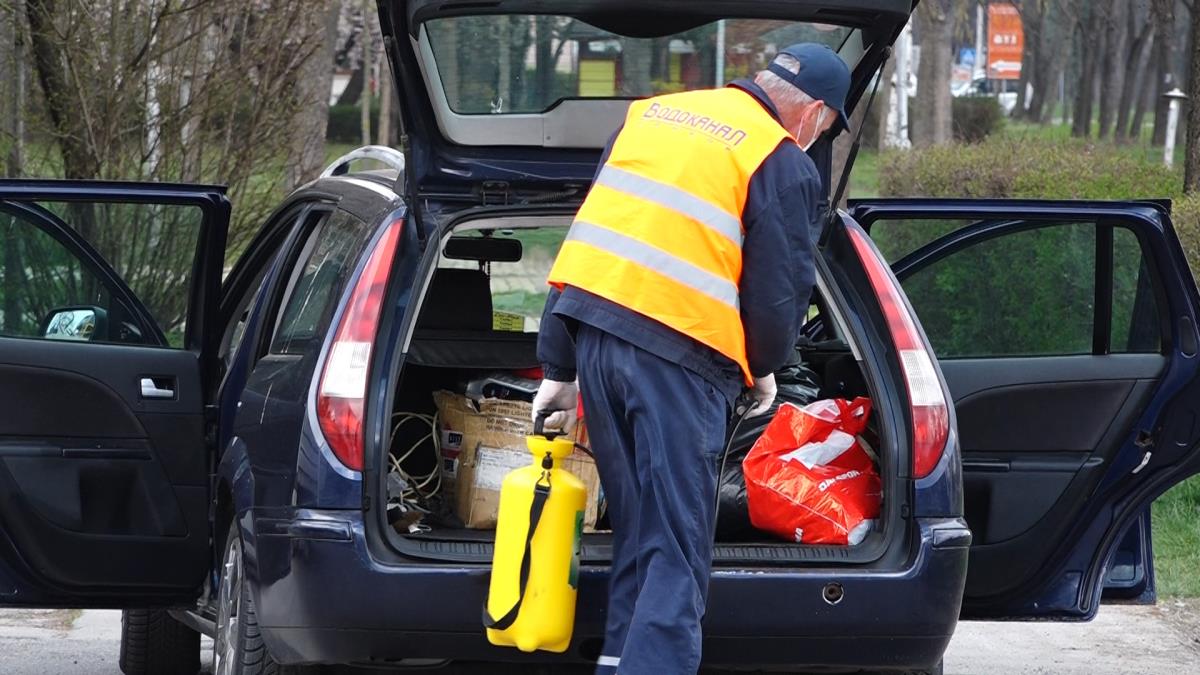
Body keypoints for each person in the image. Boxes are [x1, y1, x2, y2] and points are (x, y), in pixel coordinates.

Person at [532, 43, 851, 674]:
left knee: (639, 531)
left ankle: (619, 661)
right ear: (814, 112)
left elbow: (592, 235)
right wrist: (763, 365)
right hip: (678, 361)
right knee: (677, 549)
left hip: (596, 341)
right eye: (827, 128)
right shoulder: (779, 159)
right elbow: (778, 289)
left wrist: (558, 367)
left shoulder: (652, 115)